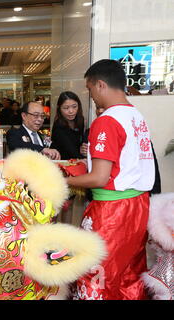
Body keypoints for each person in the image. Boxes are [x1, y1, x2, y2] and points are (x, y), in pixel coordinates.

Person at [67, 59, 156, 300]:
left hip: (112, 210)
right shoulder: (136, 116)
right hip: (138, 206)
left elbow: (99, 177)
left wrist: (64, 180)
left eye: (90, 89)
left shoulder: (106, 121)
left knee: (94, 272)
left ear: (101, 85)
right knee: (129, 273)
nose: (92, 96)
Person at [50, 91, 85, 160]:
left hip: (75, 160)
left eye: (74, 107)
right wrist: (83, 159)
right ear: (59, 108)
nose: (71, 111)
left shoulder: (80, 120)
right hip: (61, 162)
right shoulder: (58, 126)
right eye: (66, 108)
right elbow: (70, 149)